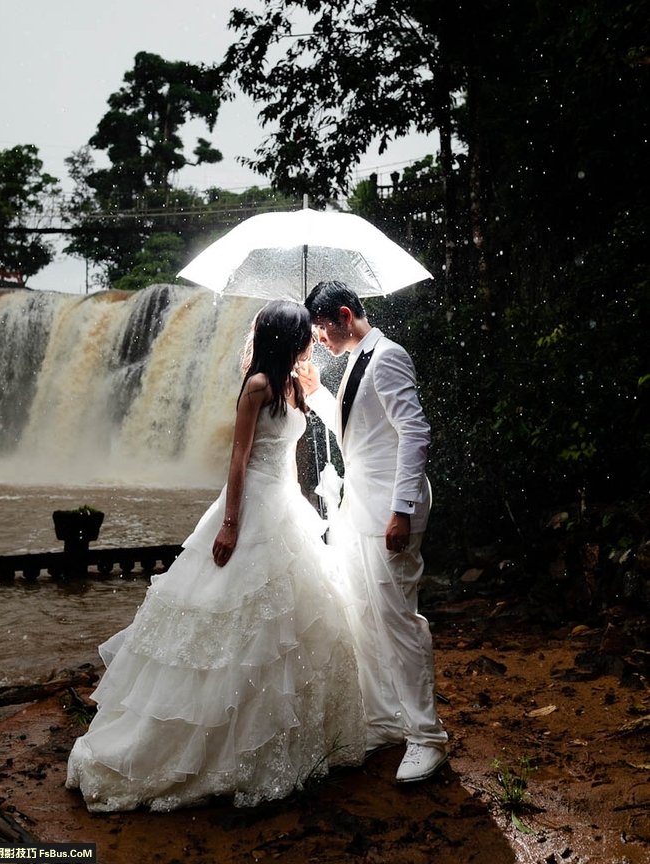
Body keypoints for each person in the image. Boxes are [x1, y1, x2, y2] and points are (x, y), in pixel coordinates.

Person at [66, 300, 366, 812]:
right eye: (304, 333)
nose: (312, 339)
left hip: (285, 506)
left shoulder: (296, 385)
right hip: (250, 509)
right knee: (234, 623)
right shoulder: (256, 387)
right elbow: (240, 457)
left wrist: (314, 398)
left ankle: (283, 743)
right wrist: (230, 523)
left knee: (287, 625)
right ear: (285, 338)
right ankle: (200, 747)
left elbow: (305, 445)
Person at [299, 281, 448, 783]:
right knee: (365, 615)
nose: (318, 338)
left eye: (321, 328)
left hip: (390, 508)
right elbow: (353, 437)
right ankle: (385, 721)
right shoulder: (356, 361)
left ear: (344, 315)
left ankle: (426, 737)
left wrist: (402, 510)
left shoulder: (387, 356)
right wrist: (317, 390)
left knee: (398, 618)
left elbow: (414, 433)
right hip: (359, 508)